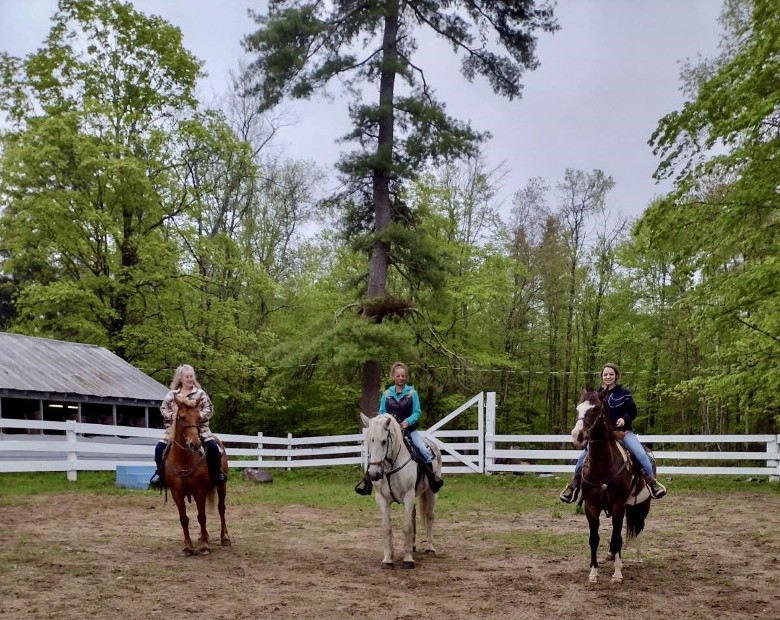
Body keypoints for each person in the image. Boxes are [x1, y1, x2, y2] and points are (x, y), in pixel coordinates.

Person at [559, 362, 667, 503]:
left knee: (640, 454)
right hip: (602, 437)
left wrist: (624, 418)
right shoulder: (595, 396)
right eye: (605, 374)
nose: (608, 377)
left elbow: (632, 411)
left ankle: (651, 484)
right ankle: (574, 486)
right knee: (582, 459)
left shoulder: (624, 393)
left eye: (611, 374)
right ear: (602, 377)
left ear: (616, 376)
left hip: (622, 433)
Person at [355, 362, 444, 495]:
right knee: (376, 453)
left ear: (406, 377)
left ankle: (432, 479)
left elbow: (417, 412)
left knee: (423, 451)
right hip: (391, 433)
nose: (401, 378)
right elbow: (382, 412)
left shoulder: (412, 393)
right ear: (393, 377)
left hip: (409, 430)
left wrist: (407, 422)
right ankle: (368, 483)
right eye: (398, 375)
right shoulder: (386, 394)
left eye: (403, 375)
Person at [149, 364, 227, 489]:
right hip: (174, 429)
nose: (190, 379)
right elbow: (163, 409)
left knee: (212, 447)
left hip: (199, 428)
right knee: (158, 449)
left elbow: (209, 409)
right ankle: (161, 476)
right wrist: (172, 416)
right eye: (187, 377)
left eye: (191, 376)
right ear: (180, 379)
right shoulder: (172, 395)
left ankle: (217, 473)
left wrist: (198, 416)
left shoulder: (200, 394)